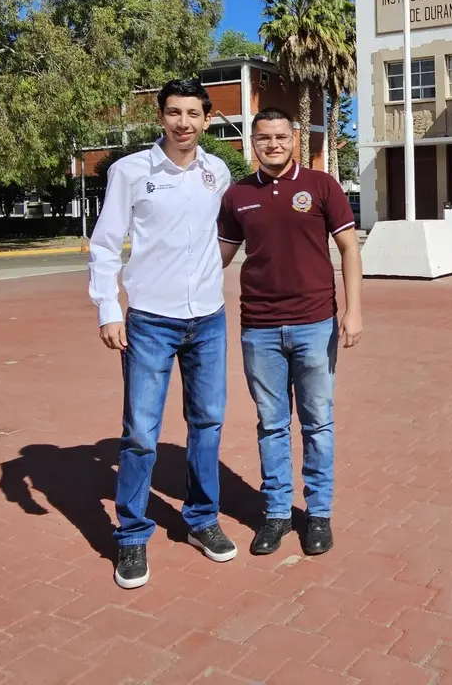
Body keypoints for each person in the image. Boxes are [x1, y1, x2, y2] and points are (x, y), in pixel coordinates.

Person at [88, 78, 238, 590]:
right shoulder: (129, 172)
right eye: (174, 113)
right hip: (151, 319)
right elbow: (106, 243)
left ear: (207, 119)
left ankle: (202, 520)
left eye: (193, 113)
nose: (183, 123)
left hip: (209, 319)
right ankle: (131, 537)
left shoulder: (217, 171)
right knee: (140, 433)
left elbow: (227, 235)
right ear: (161, 117)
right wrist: (110, 308)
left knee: (208, 423)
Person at [217, 107, 363, 557]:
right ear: (253, 143)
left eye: (281, 137)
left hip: (315, 323)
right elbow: (216, 259)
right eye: (264, 138)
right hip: (259, 328)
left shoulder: (322, 186)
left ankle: (318, 513)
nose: (273, 144)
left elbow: (349, 249)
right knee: (272, 425)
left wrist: (353, 310)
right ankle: (277, 513)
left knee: (318, 422)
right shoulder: (237, 196)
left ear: (294, 139)